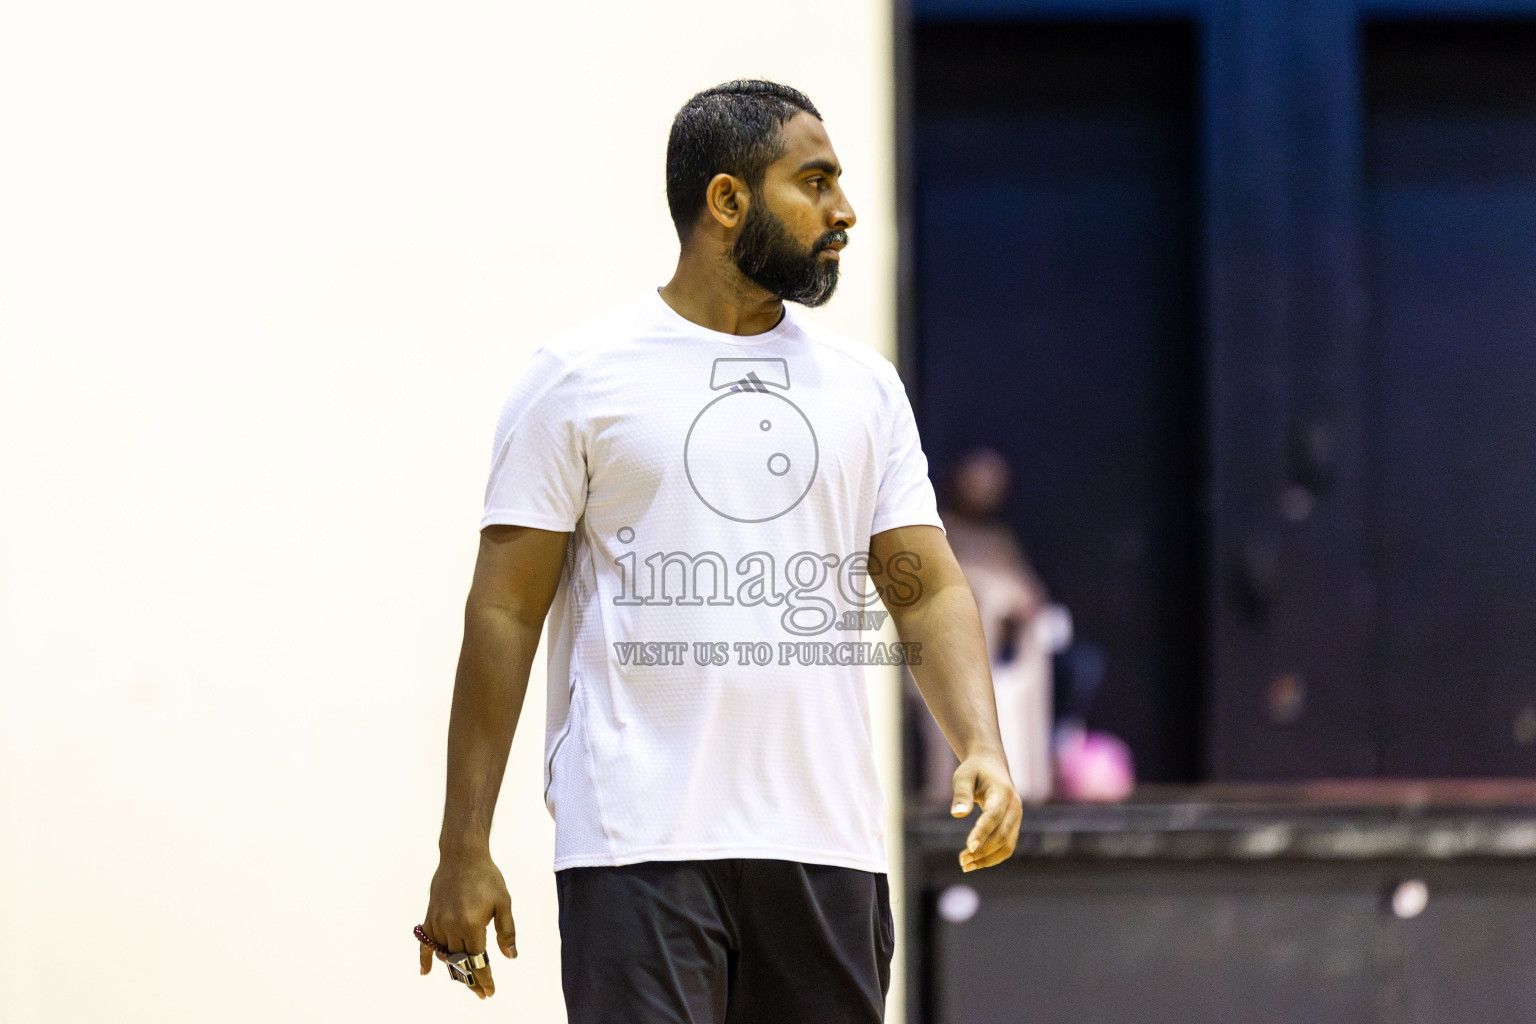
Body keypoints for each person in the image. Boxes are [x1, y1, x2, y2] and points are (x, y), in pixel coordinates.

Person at [415, 79, 1022, 1024]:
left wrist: (981, 742)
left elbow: (924, 588)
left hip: (827, 847)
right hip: (637, 843)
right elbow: (503, 610)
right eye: (814, 183)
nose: (844, 210)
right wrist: (465, 846)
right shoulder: (578, 378)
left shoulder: (865, 388)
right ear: (728, 200)